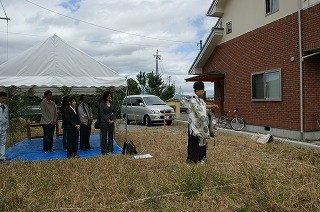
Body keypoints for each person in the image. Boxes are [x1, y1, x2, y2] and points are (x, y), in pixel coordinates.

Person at [187, 81, 218, 164]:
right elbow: (199, 110)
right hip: (194, 126)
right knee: (194, 142)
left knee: (202, 140)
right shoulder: (192, 100)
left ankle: (200, 158)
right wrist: (209, 107)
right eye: (202, 91)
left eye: (203, 91)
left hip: (202, 125)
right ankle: (194, 159)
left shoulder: (201, 100)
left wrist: (211, 108)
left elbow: (204, 107)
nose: (203, 92)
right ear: (196, 91)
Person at [0, 92, 9, 162]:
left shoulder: (5, 106)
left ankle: (2, 157)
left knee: (3, 142)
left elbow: (7, 117)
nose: (4, 99)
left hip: (3, 126)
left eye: (4, 98)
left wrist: (7, 126)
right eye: (2, 98)